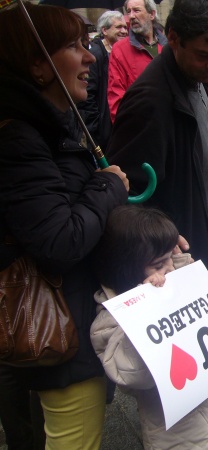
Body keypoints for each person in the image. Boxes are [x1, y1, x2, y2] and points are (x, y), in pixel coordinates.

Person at [0, 4, 129, 449]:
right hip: (61, 332)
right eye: (74, 46)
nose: (91, 56)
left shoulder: (50, 129)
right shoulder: (20, 139)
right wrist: (107, 185)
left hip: (69, 324)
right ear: (38, 65)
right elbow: (60, 239)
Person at [90, 205, 208, 448]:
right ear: (126, 270)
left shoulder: (187, 282)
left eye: (170, 257)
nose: (169, 268)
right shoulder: (110, 321)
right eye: (158, 264)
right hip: (186, 439)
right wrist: (146, 305)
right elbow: (131, 374)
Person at [108, 0, 208, 288]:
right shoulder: (149, 102)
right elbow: (128, 195)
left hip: (201, 239)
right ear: (173, 38)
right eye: (204, 55)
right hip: (175, 259)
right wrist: (160, 247)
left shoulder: (203, 77)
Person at [107, 0, 167, 121]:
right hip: (141, 126)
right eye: (129, 11)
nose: (131, 16)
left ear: (152, 14)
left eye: (137, 10)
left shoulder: (168, 46)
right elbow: (116, 99)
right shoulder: (120, 50)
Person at [79, 10, 128, 150]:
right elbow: (88, 95)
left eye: (125, 27)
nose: (124, 31)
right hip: (102, 131)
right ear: (104, 30)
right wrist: (96, 129)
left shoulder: (122, 53)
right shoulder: (95, 55)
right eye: (118, 27)